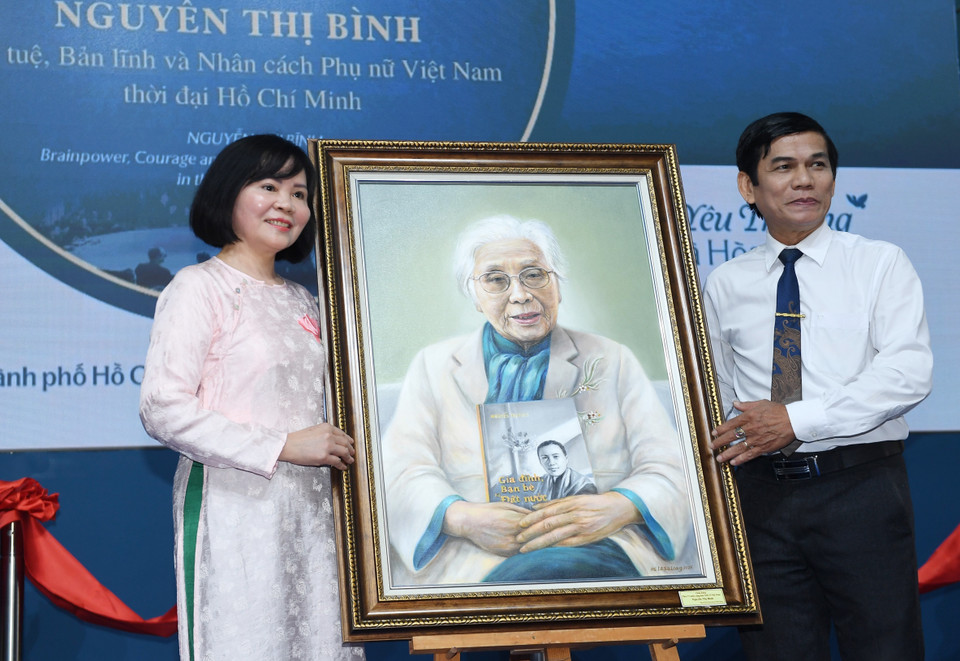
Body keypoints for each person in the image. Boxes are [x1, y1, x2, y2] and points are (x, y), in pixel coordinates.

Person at [703, 112, 933, 660]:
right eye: (783, 167)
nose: (804, 180)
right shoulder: (725, 282)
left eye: (818, 165)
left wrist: (795, 420)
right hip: (760, 499)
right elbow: (721, 395)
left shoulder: (879, 263)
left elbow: (907, 372)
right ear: (748, 186)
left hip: (860, 489)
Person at [139, 135, 364, 660]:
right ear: (228, 193)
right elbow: (162, 408)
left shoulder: (307, 301)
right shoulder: (198, 287)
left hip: (315, 515)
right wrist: (281, 444)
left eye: (300, 193)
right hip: (234, 510)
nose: (287, 204)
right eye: (269, 186)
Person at [383, 214, 695, 586]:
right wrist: (462, 518)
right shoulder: (433, 366)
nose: (520, 294)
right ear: (475, 297)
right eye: (495, 280)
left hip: (600, 544)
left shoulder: (613, 360)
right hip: (478, 556)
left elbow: (670, 466)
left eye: (534, 275)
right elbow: (401, 472)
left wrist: (620, 507)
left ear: (557, 285)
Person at [532, 439, 598, 501]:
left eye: (555, 456)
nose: (551, 463)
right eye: (545, 458)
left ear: (566, 459)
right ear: (540, 462)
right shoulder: (540, 482)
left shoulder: (584, 486)